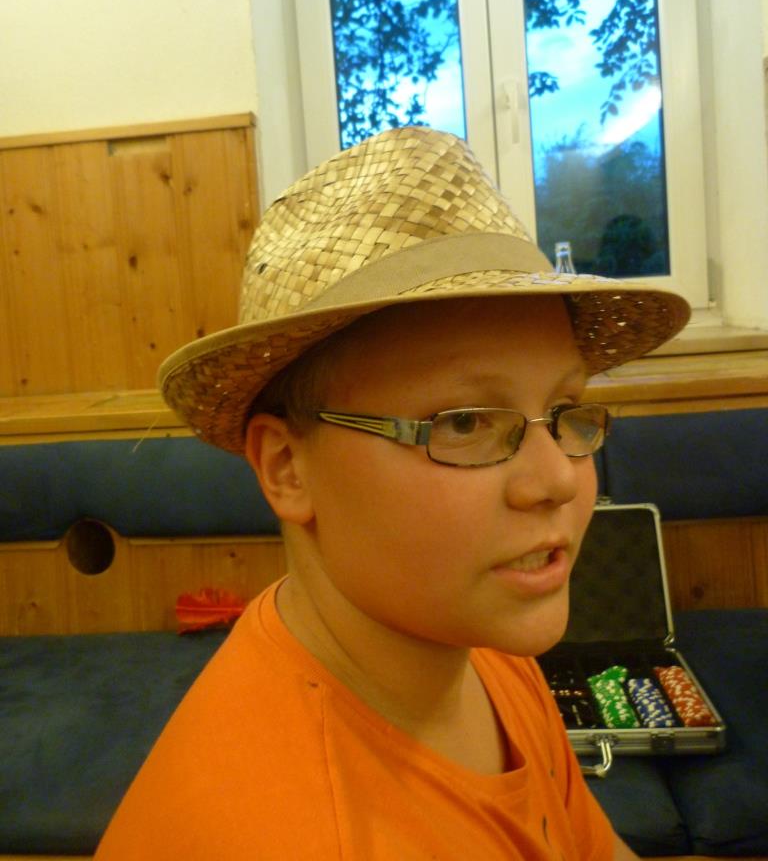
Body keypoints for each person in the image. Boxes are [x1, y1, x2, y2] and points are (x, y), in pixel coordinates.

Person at [95, 126, 689, 860]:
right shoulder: (291, 833)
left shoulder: (480, 650)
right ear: (287, 468)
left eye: (566, 410)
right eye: (464, 422)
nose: (559, 478)